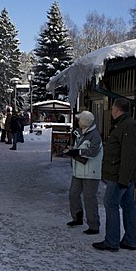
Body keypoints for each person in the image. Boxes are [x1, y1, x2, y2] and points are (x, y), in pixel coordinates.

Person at [92, 98, 136, 251]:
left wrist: (123, 179)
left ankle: (112, 241)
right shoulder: (123, 124)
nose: (111, 112)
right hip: (123, 175)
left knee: (111, 205)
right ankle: (130, 239)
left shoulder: (127, 126)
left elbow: (129, 155)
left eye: (112, 109)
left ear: (117, 110)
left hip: (119, 176)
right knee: (128, 206)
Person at [64, 111, 103, 235]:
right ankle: (77, 217)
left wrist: (77, 152)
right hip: (78, 171)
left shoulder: (95, 135)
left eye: (80, 120)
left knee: (89, 198)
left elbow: (93, 152)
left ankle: (94, 225)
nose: (78, 121)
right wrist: (73, 151)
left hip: (91, 172)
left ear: (85, 122)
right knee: (73, 194)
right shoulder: (81, 133)